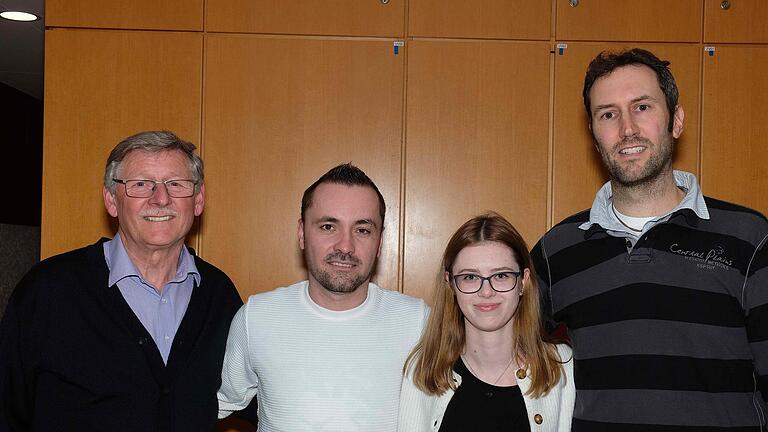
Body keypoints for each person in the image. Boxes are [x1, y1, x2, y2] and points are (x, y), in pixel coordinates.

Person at [532, 48, 768, 430]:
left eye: (642, 107)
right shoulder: (557, 250)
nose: (627, 129)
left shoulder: (751, 238)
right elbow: (499, 355)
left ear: (676, 120)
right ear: (594, 134)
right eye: (608, 114)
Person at [0, 131, 255, 431]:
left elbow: (261, 397)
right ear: (111, 200)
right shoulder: (47, 290)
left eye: (176, 184)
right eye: (140, 184)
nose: (161, 199)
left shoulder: (218, 294)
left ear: (198, 200)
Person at [217, 163, 428, 431]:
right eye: (329, 226)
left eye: (362, 229)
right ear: (302, 233)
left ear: (379, 242)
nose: (345, 246)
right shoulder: (256, 316)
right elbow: (215, 405)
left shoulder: (417, 321)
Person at [399, 212, 574, 431]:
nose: (487, 291)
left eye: (501, 275)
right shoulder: (423, 370)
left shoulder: (561, 367)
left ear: (523, 282)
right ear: (450, 284)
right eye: (470, 277)